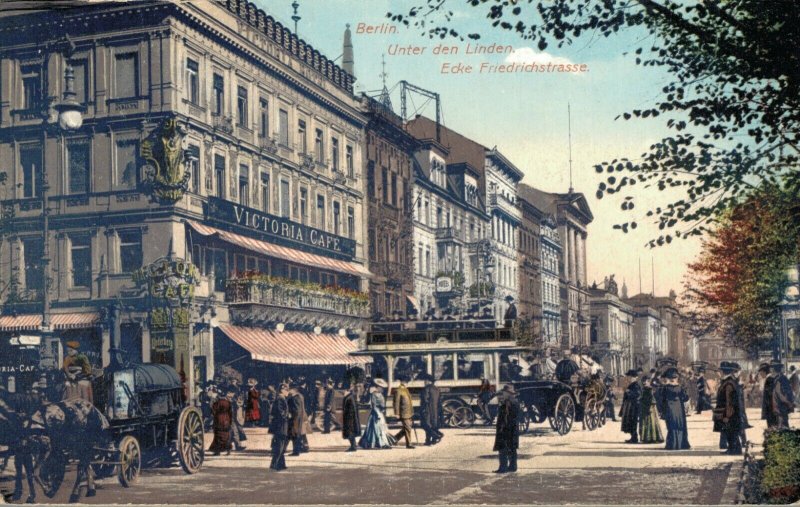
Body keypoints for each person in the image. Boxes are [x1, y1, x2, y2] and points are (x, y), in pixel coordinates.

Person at [713, 362, 743, 455]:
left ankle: (733, 449)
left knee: (731, 431)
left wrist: (727, 415)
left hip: (729, 413)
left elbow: (729, 401)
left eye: (720, 371)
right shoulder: (729, 381)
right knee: (730, 431)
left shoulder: (728, 383)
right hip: (730, 412)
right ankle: (733, 448)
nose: (719, 373)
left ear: (723, 371)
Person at [658, 368, 690, 450]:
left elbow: (661, 400)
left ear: (668, 378)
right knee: (680, 425)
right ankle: (681, 444)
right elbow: (686, 398)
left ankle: (672, 445)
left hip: (669, 408)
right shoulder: (680, 388)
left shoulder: (665, 388)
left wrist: (661, 410)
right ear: (676, 378)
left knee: (671, 426)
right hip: (679, 408)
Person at [359, 379, 394, 449]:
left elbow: (382, 404)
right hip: (376, 414)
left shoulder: (380, 394)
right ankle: (381, 443)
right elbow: (373, 405)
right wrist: (377, 414)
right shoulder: (374, 394)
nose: (382, 389)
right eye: (381, 387)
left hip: (380, 412)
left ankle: (381, 443)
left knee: (380, 429)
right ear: (378, 387)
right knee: (377, 429)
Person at [493, 384, 520, 473]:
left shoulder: (507, 402)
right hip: (514, 428)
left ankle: (503, 467)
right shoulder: (515, 401)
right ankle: (513, 466)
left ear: (507, 393)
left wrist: (501, 428)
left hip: (505, 428)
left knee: (503, 448)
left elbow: (504, 417)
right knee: (512, 447)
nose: (502, 395)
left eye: (504, 393)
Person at [269, 383, 290, 471]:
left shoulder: (281, 398)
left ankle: (281, 464)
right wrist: (287, 415)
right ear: (282, 390)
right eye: (287, 390)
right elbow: (280, 412)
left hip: (280, 425)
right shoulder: (280, 399)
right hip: (280, 425)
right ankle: (275, 464)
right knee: (280, 445)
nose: (288, 392)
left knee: (281, 444)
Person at [420, 375, 444, 446]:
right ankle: (432, 440)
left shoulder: (426, 388)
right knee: (433, 425)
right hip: (435, 410)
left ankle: (436, 435)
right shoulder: (437, 389)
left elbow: (425, 399)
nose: (424, 382)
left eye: (425, 380)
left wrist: (422, 409)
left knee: (426, 425)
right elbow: (439, 401)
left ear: (428, 381)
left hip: (428, 409)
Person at [392, 376, 415, 449]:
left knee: (406, 428)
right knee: (408, 428)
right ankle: (409, 444)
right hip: (403, 412)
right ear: (403, 382)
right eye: (406, 382)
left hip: (408, 412)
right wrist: (397, 413)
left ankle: (394, 439)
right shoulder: (398, 390)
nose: (407, 384)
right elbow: (396, 403)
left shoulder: (406, 390)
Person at [639, 377, 664, 444]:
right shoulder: (643, 389)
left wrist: (649, 407)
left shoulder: (649, 389)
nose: (644, 383)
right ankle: (646, 438)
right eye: (643, 382)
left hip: (650, 407)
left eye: (646, 381)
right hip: (644, 407)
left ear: (648, 382)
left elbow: (651, 399)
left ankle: (652, 437)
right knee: (645, 422)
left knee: (651, 422)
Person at [620, 369, 642, 443]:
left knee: (633, 421)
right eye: (629, 377)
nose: (629, 378)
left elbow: (638, 395)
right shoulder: (631, 385)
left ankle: (634, 438)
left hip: (634, 406)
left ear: (634, 377)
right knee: (630, 421)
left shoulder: (636, 385)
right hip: (630, 406)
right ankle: (633, 437)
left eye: (630, 377)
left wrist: (629, 392)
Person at [208, 389, 233, 456]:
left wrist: (215, 415)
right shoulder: (228, 402)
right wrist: (230, 420)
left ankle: (217, 451)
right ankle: (228, 450)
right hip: (226, 419)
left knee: (218, 435)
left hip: (219, 419)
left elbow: (213, 410)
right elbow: (230, 412)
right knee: (226, 435)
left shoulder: (217, 402)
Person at [771, 360, 795, 429]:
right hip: (781, 406)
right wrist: (788, 402)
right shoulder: (781, 379)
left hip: (780, 406)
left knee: (782, 424)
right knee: (783, 425)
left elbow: (780, 393)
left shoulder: (779, 379)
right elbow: (780, 394)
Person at [288, 384, 308, 456]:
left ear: (294, 390)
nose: (289, 390)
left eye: (290, 389)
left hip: (295, 420)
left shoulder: (295, 398)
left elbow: (297, 410)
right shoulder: (299, 396)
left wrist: (291, 416)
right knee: (298, 435)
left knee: (295, 435)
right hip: (299, 419)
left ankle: (296, 451)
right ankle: (299, 449)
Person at [342, 383, 362, 451]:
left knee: (350, 433)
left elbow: (351, 409)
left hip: (350, 419)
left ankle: (353, 447)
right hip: (349, 418)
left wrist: (349, 418)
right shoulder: (349, 397)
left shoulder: (349, 398)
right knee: (350, 433)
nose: (343, 392)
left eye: (344, 391)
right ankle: (353, 446)